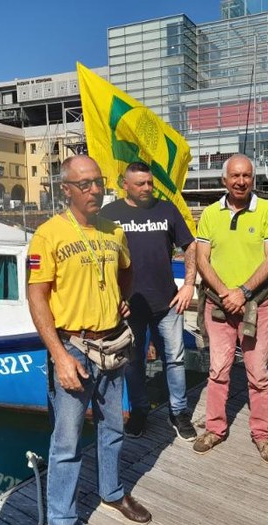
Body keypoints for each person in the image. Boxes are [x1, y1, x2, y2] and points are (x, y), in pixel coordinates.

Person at [27, 155, 151, 525]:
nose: (94, 189)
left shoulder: (114, 231)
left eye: (98, 182)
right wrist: (59, 356)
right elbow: (36, 297)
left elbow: (126, 271)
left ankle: (111, 491)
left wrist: (121, 300)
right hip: (74, 349)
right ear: (66, 189)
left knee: (113, 427)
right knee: (66, 441)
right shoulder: (49, 235)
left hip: (113, 343)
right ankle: (62, 517)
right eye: (84, 184)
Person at [193, 154, 268, 464]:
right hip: (218, 308)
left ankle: (263, 434)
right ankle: (215, 429)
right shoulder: (209, 214)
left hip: (256, 307)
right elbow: (202, 259)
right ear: (224, 180)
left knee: (258, 375)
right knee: (218, 371)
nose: (241, 181)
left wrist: (243, 292)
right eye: (235, 176)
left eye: (246, 175)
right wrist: (224, 292)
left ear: (253, 179)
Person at [101, 161, 197, 441]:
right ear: (125, 185)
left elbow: (189, 245)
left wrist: (188, 284)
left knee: (175, 360)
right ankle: (140, 411)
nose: (147, 188)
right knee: (133, 363)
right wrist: (112, 297)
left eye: (149, 183)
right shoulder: (109, 215)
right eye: (140, 183)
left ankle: (178, 412)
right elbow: (100, 258)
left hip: (167, 303)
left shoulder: (166, 210)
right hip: (129, 307)